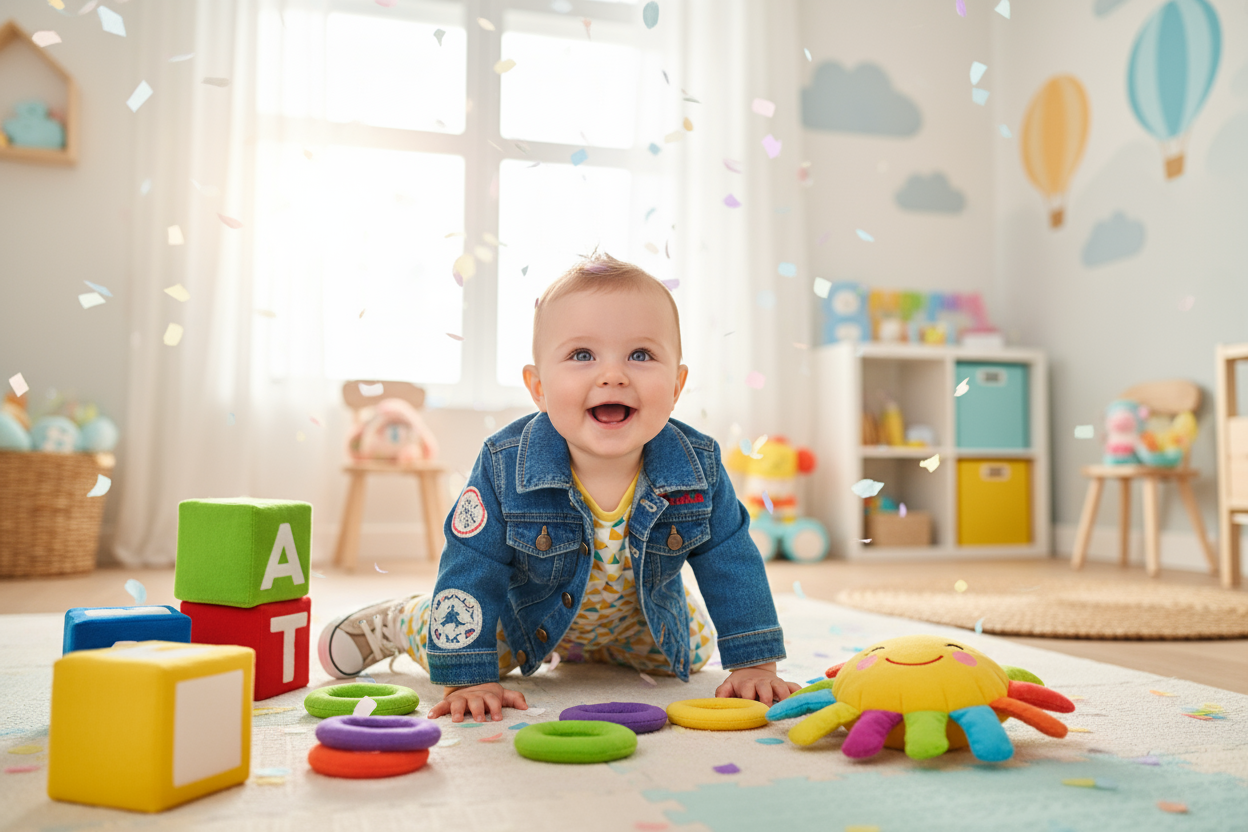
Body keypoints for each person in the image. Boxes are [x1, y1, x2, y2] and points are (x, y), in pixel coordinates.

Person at [318, 252, 800, 722]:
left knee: (690, 650)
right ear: (539, 387)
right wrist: (466, 676)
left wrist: (754, 662)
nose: (613, 374)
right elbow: (473, 563)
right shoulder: (505, 464)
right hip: (526, 610)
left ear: (676, 385)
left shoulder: (698, 466)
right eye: (582, 355)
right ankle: (404, 620)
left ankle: (598, 647)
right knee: (474, 639)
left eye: (641, 354)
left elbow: (731, 560)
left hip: (638, 615)